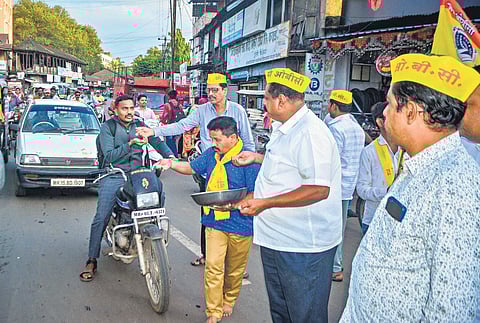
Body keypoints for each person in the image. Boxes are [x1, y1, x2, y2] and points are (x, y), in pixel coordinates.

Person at [340, 54, 480, 322]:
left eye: (391, 105)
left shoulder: (455, 183)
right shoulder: (421, 166)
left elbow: (454, 308)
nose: (383, 112)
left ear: (412, 112)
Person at [234, 68, 343, 323]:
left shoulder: (311, 132)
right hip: (279, 240)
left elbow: (318, 188)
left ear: (281, 100)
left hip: (303, 246)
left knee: (304, 315)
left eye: (267, 100)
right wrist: (257, 158)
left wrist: (264, 203)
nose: (264, 105)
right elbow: (290, 165)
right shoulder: (287, 128)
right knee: (283, 313)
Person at [137, 73, 256, 266]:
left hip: (235, 167)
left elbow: (248, 142)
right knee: (208, 210)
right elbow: (182, 126)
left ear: (225, 91)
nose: (211, 94)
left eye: (215, 90)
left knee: (237, 210)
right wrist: (155, 132)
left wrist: (247, 165)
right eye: (209, 90)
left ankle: (236, 263)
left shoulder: (238, 110)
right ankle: (207, 254)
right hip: (209, 165)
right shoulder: (202, 110)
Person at [156, 116, 260, 323]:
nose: (214, 144)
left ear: (233, 138)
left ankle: (229, 299)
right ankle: (213, 311)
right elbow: (192, 168)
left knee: (234, 269)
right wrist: (171, 163)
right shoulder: (212, 155)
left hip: (241, 223)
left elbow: (254, 194)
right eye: (212, 139)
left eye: (218, 140)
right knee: (213, 266)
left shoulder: (248, 159)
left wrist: (233, 205)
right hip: (213, 220)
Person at [79, 95, 173, 282]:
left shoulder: (140, 124)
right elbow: (110, 156)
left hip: (139, 173)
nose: (129, 112)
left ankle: (154, 235)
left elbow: (157, 141)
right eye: (125, 109)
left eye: (131, 108)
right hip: (115, 174)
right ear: (115, 109)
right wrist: (130, 144)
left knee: (159, 191)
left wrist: (170, 157)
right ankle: (92, 258)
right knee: (101, 216)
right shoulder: (108, 128)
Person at [326, 89, 365, 282]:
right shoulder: (355, 126)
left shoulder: (336, 128)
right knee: (338, 226)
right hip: (349, 185)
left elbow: (331, 159)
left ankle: (334, 267)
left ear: (334, 106)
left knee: (333, 227)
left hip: (335, 186)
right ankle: (335, 265)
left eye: (329, 104)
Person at [356, 102, 404, 235]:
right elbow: (361, 189)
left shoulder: (406, 148)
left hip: (400, 225)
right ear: (380, 122)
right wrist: (386, 192)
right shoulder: (369, 152)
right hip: (374, 222)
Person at [160, 90, 185, 157]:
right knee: (175, 141)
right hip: (178, 125)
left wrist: (162, 120)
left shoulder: (167, 105)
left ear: (168, 96)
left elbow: (165, 116)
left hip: (170, 125)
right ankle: (177, 155)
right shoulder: (179, 105)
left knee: (169, 141)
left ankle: (172, 155)